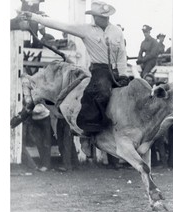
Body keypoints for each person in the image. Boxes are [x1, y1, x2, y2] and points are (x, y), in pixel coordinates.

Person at [19, 1, 129, 157]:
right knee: (102, 93)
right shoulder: (85, 30)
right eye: (99, 17)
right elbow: (61, 25)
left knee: (130, 96)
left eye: (105, 17)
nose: (102, 19)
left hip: (117, 71)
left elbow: (122, 55)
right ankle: (89, 134)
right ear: (95, 17)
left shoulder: (117, 31)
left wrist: (123, 75)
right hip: (100, 70)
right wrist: (34, 17)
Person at [24, 103, 52, 172]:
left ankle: (46, 165)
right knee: (39, 142)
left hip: (44, 117)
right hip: (35, 119)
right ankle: (43, 163)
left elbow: (41, 108)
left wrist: (29, 110)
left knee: (46, 142)